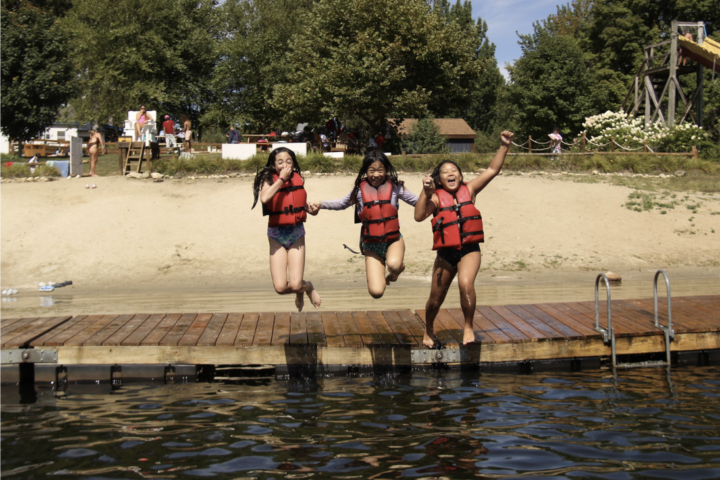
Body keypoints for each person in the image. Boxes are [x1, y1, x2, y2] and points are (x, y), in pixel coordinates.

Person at [414, 131, 514, 347]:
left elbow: (492, 170)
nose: (450, 174)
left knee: (465, 283)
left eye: (454, 171)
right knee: (435, 299)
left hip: (470, 249)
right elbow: (419, 216)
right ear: (439, 179)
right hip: (446, 254)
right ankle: (428, 329)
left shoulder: (470, 189)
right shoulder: (435, 197)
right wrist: (424, 191)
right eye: (445, 172)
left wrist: (504, 146)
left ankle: (468, 326)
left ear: (460, 176)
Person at [308, 151, 418, 299]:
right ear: (366, 171)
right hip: (371, 244)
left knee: (394, 265)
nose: (376, 175)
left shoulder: (396, 187)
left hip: (393, 240)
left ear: (386, 170)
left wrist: (433, 194)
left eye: (380, 170)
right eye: (372, 170)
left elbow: (418, 202)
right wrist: (321, 204)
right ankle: (391, 269)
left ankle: (397, 270)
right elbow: (342, 203)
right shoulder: (359, 190)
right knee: (376, 292)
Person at [252, 148, 321, 312]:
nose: (285, 164)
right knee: (280, 288)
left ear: (294, 163)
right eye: (280, 162)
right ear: (273, 164)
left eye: (288, 161)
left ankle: (306, 288)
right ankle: (306, 288)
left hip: (296, 233)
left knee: (296, 284)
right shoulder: (269, 179)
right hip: (276, 235)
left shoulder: (298, 179)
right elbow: (265, 198)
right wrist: (281, 179)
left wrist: (312, 209)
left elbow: (296, 201)